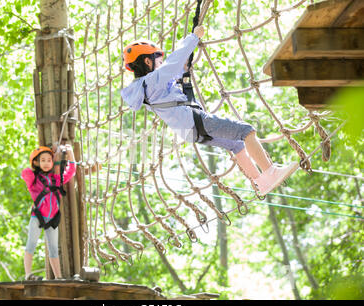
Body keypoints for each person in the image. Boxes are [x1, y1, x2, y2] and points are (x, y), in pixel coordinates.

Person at [121, 26, 298, 196]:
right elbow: (174, 62)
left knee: (236, 145)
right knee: (246, 131)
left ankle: (261, 182)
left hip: (189, 132)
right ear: (147, 61)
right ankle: (270, 171)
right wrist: (194, 37)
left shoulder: (144, 89)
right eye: (158, 61)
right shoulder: (154, 80)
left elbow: (172, 75)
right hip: (195, 121)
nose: (161, 65)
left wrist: (183, 72)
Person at [21, 144, 76, 280]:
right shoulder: (34, 179)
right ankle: (28, 274)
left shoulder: (56, 179)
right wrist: (36, 162)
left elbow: (71, 171)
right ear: (37, 163)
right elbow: (25, 173)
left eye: (49, 160)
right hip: (38, 217)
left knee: (53, 249)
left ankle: (58, 277)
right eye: (43, 160)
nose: (46, 163)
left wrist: (69, 152)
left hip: (52, 219)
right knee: (31, 244)